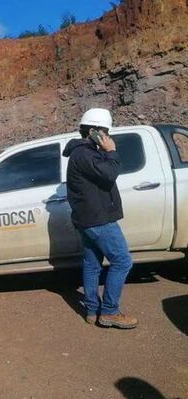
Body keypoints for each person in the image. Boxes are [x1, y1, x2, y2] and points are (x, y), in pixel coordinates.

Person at [62, 108, 138, 329]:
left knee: (92, 264)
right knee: (123, 261)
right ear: (94, 131)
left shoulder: (84, 152)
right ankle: (110, 312)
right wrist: (112, 151)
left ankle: (92, 310)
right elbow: (109, 174)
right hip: (98, 220)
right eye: (106, 132)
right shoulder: (84, 154)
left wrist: (105, 152)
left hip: (88, 219)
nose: (109, 137)